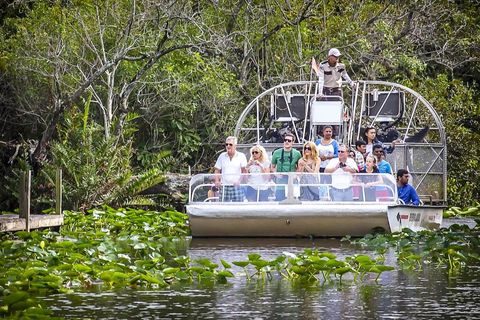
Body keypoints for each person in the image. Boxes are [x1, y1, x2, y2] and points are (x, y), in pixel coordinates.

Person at [214, 136, 247, 202]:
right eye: (226, 144)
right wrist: (217, 181)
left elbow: (244, 171)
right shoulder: (222, 156)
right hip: (224, 186)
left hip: (237, 187)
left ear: (235, 145)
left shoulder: (241, 156)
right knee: (223, 207)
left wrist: (239, 181)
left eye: (230, 144)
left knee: (238, 207)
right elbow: (217, 170)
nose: (228, 146)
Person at [271, 133, 302, 201]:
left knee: (294, 202)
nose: (287, 142)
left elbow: (300, 167)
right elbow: (272, 167)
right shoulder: (276, 152)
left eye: (289, 140)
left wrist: (296, 175)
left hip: (292, 181)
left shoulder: (297, 153)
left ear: (293, 142)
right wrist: (276, 174)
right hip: (280, 181)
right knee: (279, 201)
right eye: (285, 140)